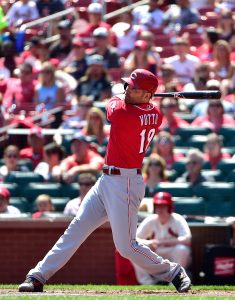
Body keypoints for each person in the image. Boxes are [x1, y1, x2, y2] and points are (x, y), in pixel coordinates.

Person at [18, 69, 191, 293]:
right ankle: (38, 276)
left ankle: (174, 272)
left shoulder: (123, 113)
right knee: (76, 228)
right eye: (128, 85)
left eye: (134, 87)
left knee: (126, 247)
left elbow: (114, 101)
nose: (128, 89)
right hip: (106, 180)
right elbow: (137, 102)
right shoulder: (155, 114)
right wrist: (141, 95)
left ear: (147, 95)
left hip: (125, 183)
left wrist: (131, 95)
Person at [133, 192, 192, 285]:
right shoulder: (150, 220)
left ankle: (175, 281)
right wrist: (149, 243)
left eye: (163, 206)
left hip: (172, 253)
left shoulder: (177, 219)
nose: (160, 209)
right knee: (135, 252)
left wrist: (163, 242)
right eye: (158, 206)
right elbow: (134, 239)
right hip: (156, 254)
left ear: (170, 207)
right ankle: (148, 283)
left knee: (182, 249)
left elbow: (187, 239)